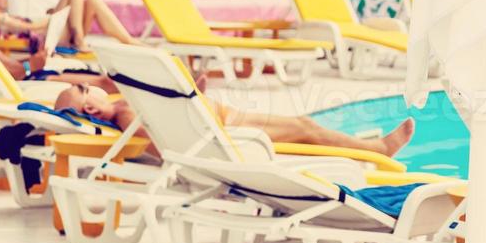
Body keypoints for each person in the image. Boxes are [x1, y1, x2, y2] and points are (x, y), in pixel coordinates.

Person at [53, 85, 417, 159]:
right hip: (225, 134)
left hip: (222, 116)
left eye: (87, 98)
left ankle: (360, 149)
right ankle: (377, 149)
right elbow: (166, 146)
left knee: (306, 126)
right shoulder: (126, 113)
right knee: (306, 131)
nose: (91, 109)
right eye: (85, 113)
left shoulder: (121, 92)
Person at [0, 0, 117, 92]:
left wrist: (34, 58)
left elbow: (6, 67)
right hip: (28, 83)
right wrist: (31, 66)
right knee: (106, 83)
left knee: (102, 79)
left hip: (30, 76)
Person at [0, 0, 143, 51]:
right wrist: (54, 17)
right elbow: (31, 27)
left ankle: (127, 40)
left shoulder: (7, 15)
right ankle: (78, 38)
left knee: (92, 0)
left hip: (54, 34)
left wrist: (57, 14)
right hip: (48, 38)